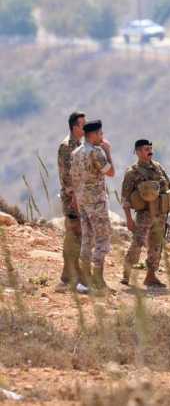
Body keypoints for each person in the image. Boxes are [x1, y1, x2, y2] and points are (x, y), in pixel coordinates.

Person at [120, 139, 170, 288]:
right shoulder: (132, 173)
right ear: (138, 152)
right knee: (138, 242)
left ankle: (151, 276)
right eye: (146, 149)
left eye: (150, 148)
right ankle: (126, 274)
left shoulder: (158, 168)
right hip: (144, 215)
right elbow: (125, 198)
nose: (150, 151)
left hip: (161, 214)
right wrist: (129, 219)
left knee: (156, 244)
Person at [71, 120, 115, 292]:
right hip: (96, 202)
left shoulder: (76, 152)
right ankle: (98, 281)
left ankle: (85, 280)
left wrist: (77, 198)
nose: (102, 137)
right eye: (101, 134)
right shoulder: (96, 152)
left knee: (87, 239)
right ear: (94, 135)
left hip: (83, 201)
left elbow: (74, 178)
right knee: (102, 238)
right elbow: (110, 172)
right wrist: (108, 152)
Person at [54, 111, 86, 292]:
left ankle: (68, 276)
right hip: (72, 198)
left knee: (75, 234)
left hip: (79, 197)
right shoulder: (67, 146)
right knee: (74, 233)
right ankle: (71, 277)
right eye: (83, 125)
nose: (85, 127)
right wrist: (74, 197)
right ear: (75, 127)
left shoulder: (79, 145)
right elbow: (67, 176)